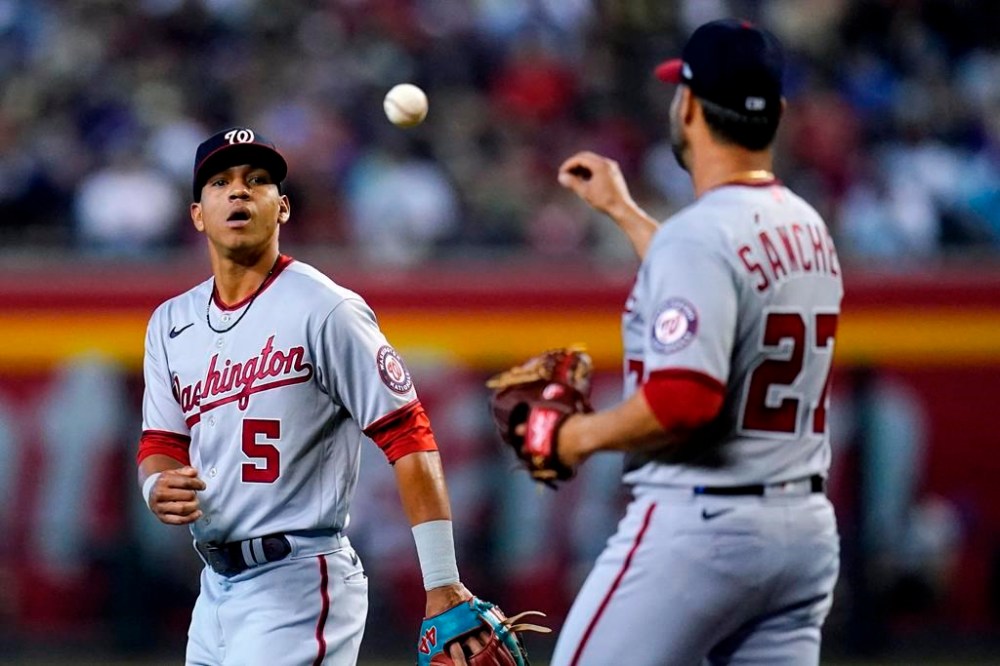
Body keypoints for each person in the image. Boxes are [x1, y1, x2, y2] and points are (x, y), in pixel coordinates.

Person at [550, 19, 843, 665]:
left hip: (701, 527)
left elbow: (685, 399)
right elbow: (723, 278)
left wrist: (576, 437)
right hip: (802, 535)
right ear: (778, 114)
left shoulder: (700, 235)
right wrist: (627, 214)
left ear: (686, 105)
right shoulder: (807, 225)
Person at [137, 127, 481, 664]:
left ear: (284, 208)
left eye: (257, 181)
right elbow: (160, 440)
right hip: (214, 591)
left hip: (299, 582)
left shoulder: (327, 309)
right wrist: (156, 484)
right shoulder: (170, 323)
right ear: (198, 214)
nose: (239, 192)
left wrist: (442, 582)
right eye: (221, 181)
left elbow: (410, 437)